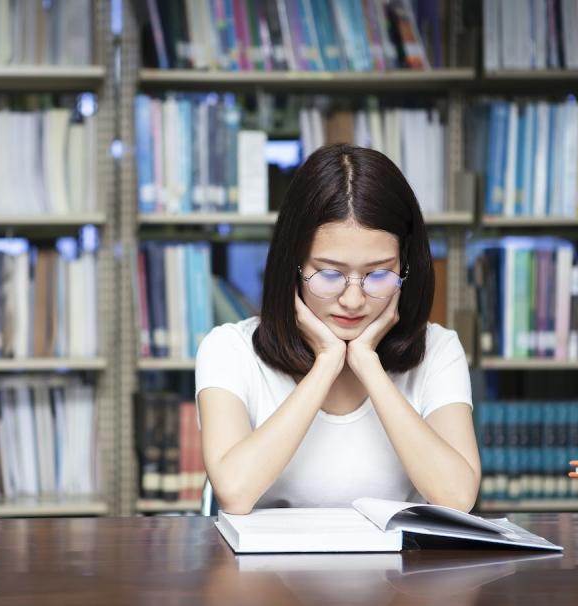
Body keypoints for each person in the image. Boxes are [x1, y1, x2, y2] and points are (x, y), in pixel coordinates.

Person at [195, 144, 479, 515]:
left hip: (399, 572)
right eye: (330, 274)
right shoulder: (229, 349)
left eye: (379, 274)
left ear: (406, 267)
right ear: (292, 265)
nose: (353, 300)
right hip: (267, 572)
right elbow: (234, 490)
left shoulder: (438, 349)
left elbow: (457, 497)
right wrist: (327, 363)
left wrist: (368, 364)